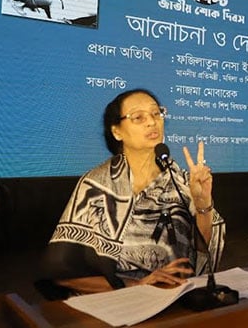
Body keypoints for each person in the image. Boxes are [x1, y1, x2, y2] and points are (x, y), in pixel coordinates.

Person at [36, 89, 224, 299]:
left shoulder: (180, 181)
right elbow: (64, 275)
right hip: (114, 304)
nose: (152, 122)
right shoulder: (96, 187)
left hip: (175, 299)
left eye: (156, 113)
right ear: (117, 132)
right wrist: (137, 284)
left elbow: (203, 253)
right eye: (138, 117)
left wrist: (202, 203)